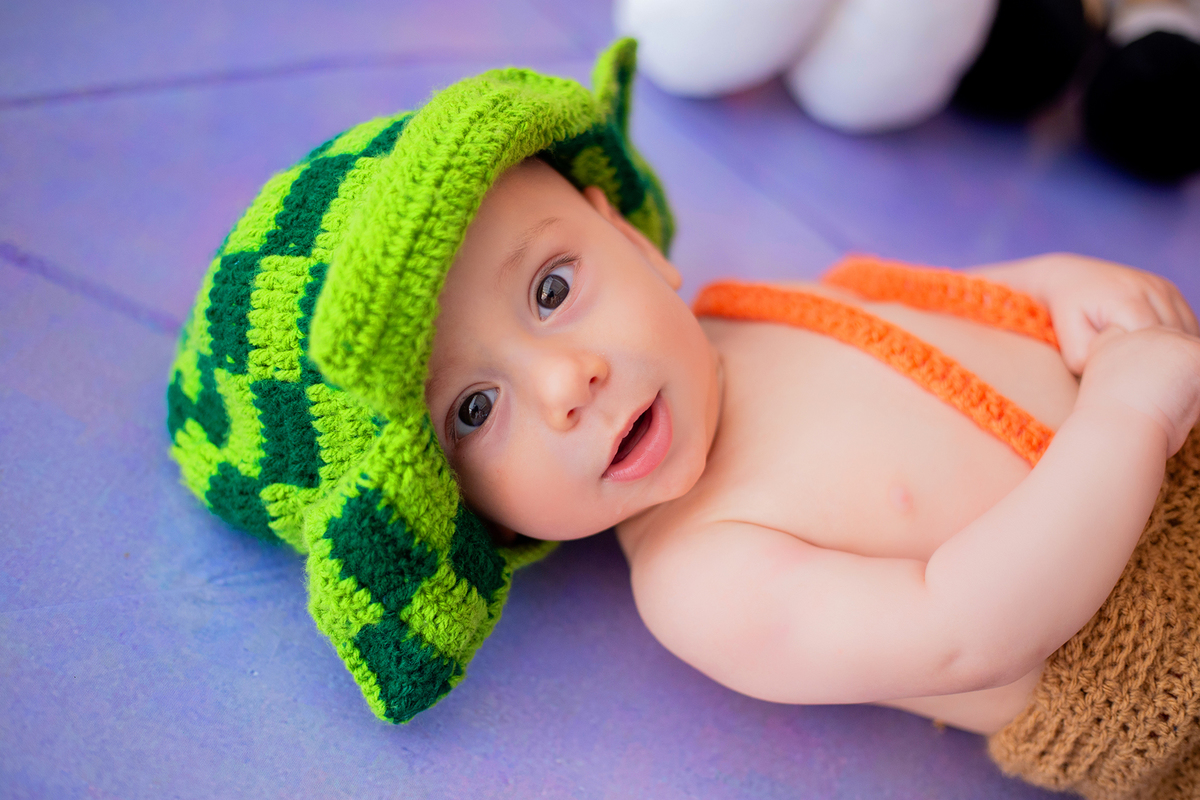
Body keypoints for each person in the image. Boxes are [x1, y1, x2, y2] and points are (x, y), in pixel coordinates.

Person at [168, 40, 1200, 799]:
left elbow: (923, 303)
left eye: (551, 289)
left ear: (631, 237)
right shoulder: (702, 577)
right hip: (1164, 654)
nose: (567, 379)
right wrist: (1128, 414)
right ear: (465, 510)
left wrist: (1051, 285)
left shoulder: (743, 307)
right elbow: (964, 627)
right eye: (474, 410)